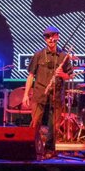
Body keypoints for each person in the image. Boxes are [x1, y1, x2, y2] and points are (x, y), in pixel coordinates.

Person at [22, 25, 73, 153]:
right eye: (47, 37)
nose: (50, 39)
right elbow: (31, 75)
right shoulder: (39, 54)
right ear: (45, 39)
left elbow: (69, 76)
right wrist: (26, 94)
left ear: (58, 37)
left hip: (56, 94)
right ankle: (33, 148)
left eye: (53, 36)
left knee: (55, 125)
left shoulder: (63, 56)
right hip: (40, 93)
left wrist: (61, 74)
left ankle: (50, 150)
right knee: (35, 122)